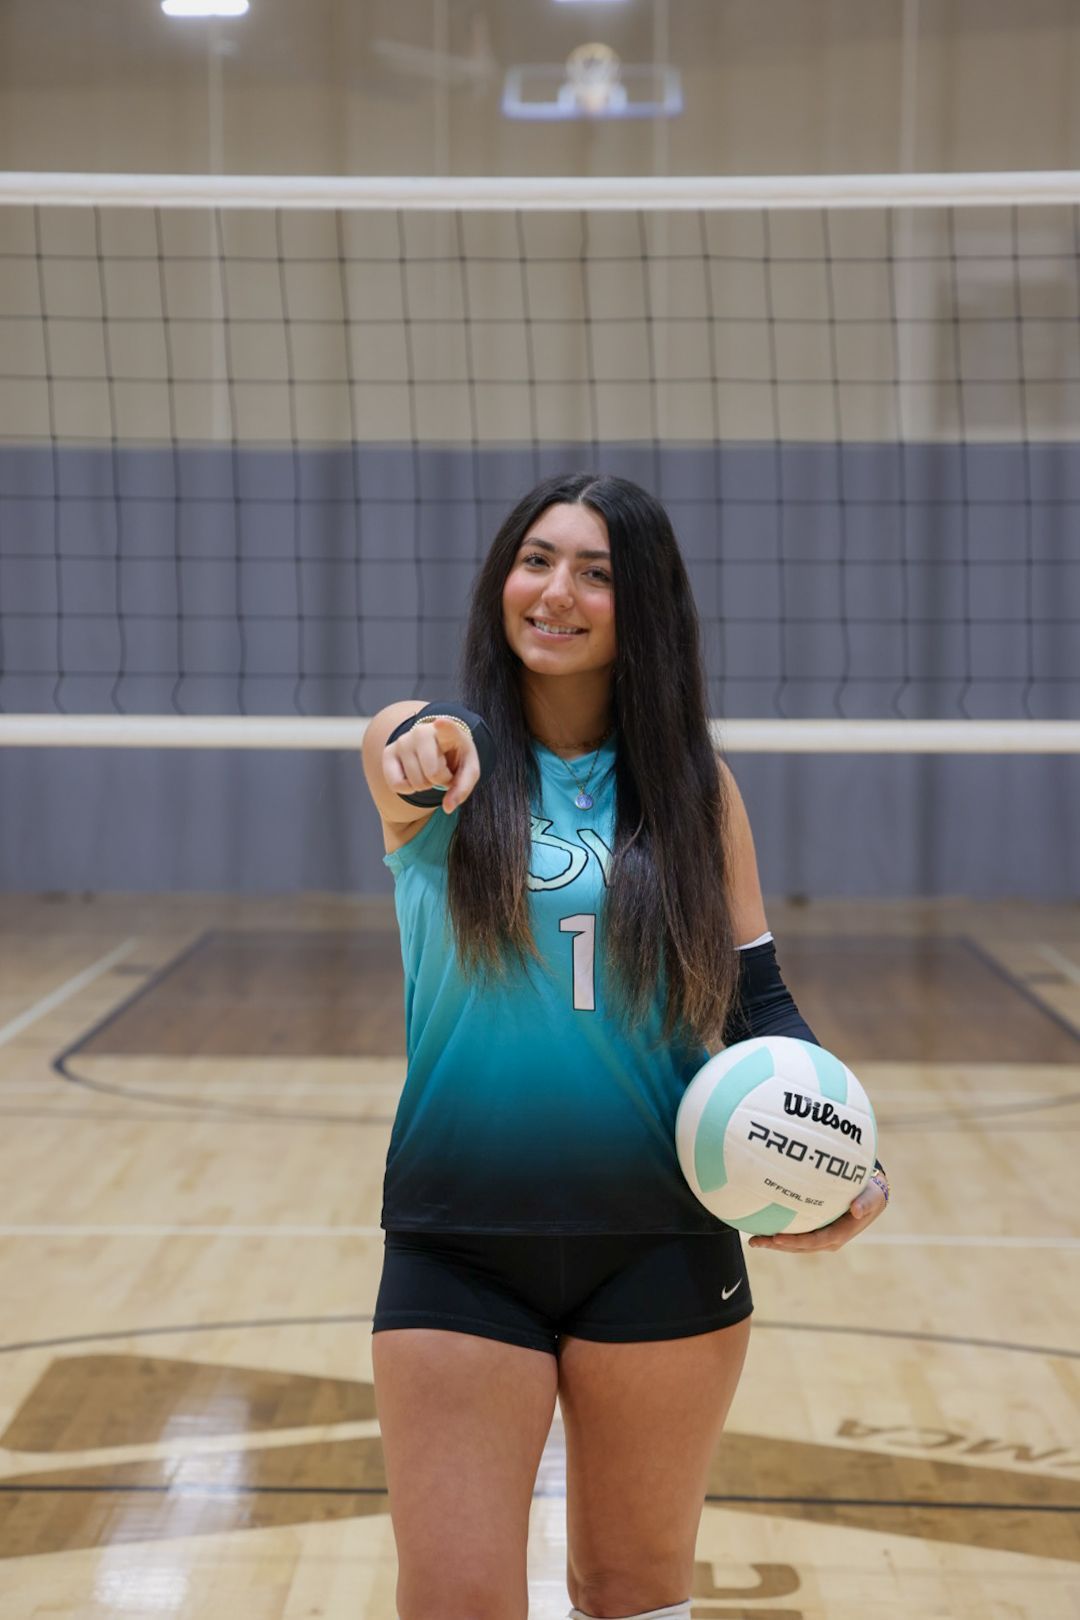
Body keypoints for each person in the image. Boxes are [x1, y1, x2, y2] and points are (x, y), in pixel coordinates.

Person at [360, 472, 889, 1620]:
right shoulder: (437, 759)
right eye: (535, 559)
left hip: (663, 1233)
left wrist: (847, 1155)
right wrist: (419, 742)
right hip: (462, 1238)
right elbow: (406, 739)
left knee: (635, 1590)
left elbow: (761, 1006)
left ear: (641, 605)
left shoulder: (696, 791)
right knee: (452, 1598)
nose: (556, 591)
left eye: (595, 573)